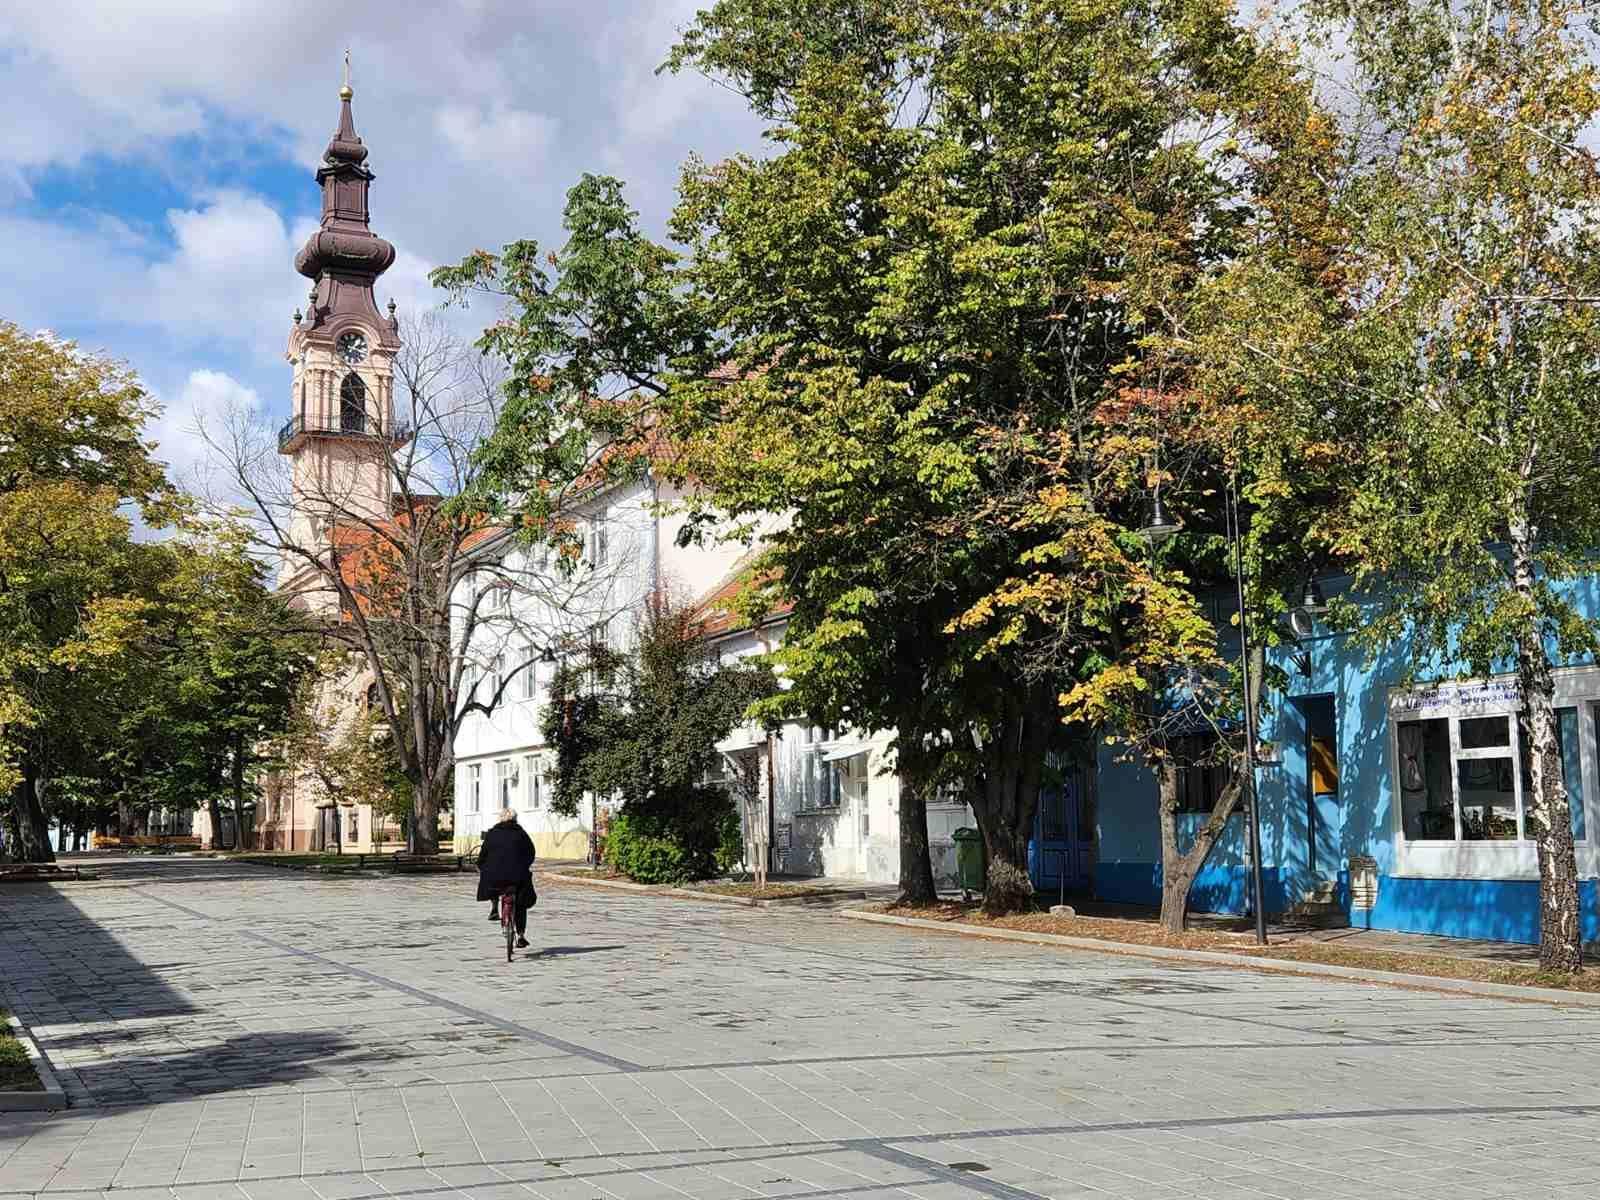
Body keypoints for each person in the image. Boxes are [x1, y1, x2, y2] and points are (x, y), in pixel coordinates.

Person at [476, 808, 536, 947]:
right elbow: (531, 853)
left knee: (492, 884)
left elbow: (483, 854)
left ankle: (494, 908)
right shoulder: (521, 834)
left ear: (500, 819)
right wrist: (524, 865)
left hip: (494, 876)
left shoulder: (492, 834)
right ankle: (521, 935)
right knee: (521, 902)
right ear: (515, 819)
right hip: (517, 875)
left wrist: (480, 865)